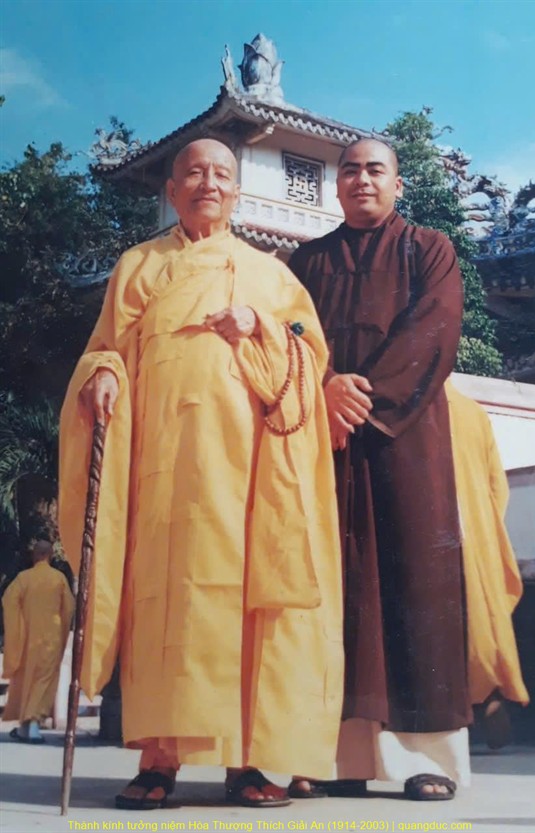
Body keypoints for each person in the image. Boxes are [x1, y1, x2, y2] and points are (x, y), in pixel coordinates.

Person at [59, 139, 344, 810]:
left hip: (250, 475)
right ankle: (159, 759)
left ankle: (248, 761)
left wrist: (262, 327)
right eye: (193, 172)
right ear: (172, 189)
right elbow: (106, 348)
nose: (207, 183)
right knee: (168, 605)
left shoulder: (271, 275)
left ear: (237, 191)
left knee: (247, 608)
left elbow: (310, 358)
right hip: (162, 469)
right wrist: (102, 374)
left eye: (221, 173)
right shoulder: (138, 266)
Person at [288, 138, 471, 801]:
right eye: (349, 171)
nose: (361, 179)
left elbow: (435, 330)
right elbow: (288, 339)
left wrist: (360, 400)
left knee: (414, 586)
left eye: (374, 169)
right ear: (334, 186)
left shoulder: (428, 249)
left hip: (407, 439)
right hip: (325, 440)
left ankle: (426, 759)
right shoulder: (305, 262)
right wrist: (324, 389)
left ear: (398, 184)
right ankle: (329, 755)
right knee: (331, 591)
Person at [445, 380, 529, 747]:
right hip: (475, 538)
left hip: (430, 541)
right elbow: (498, 488)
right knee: (479, 628)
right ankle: (489, 698)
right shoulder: (473, 413)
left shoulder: (402, 405)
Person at [2, 539, 74, 743]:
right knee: (44, 679)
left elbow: (8, 600)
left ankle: (25, 728)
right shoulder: (58, 578)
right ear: (50, 556)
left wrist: (17, 626)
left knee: (27, 680)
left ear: (34, 555)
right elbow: (69, 608)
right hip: (51, 637)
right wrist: (63, 629)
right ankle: (32, 725)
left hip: (27, 638)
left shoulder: (23, 578)